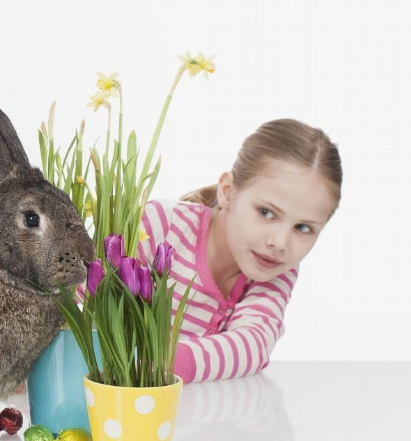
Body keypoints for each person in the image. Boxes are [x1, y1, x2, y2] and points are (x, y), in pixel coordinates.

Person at [136, 118, 342, 383]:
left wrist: (159, 367)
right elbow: (83, 299)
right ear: (228, 192)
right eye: (266, 212)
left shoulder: (276, 270)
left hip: (193, 417)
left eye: (303, 228)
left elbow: (252, 345)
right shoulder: (159, 225)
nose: (280, 242)